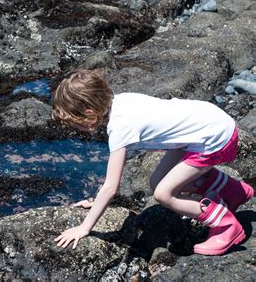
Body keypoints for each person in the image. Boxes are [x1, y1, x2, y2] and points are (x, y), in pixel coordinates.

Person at [52, 69, 253, 255]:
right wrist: (98, 203)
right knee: (157, 181)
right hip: (207, 122)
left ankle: (226, 225)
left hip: (214, 138)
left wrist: (85, 227)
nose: (75, 128)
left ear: (88, 113)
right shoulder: (121, 100)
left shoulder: (119, 128)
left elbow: (111, 187)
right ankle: (232, 191)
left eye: (75, 123)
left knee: (163, 193)